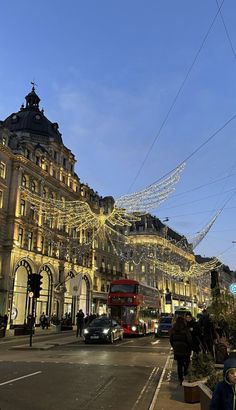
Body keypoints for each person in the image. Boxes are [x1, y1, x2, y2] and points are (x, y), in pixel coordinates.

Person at [169, 316, 192, 385]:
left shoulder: (173, 329)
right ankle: (185, 373)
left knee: (179, 364)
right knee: (187, 362)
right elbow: (189, 340)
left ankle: (180, 379)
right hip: (185, 349)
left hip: (177, 350)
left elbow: (171, 339)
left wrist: (174, 346)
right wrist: (190, 347)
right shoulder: (185, 329)